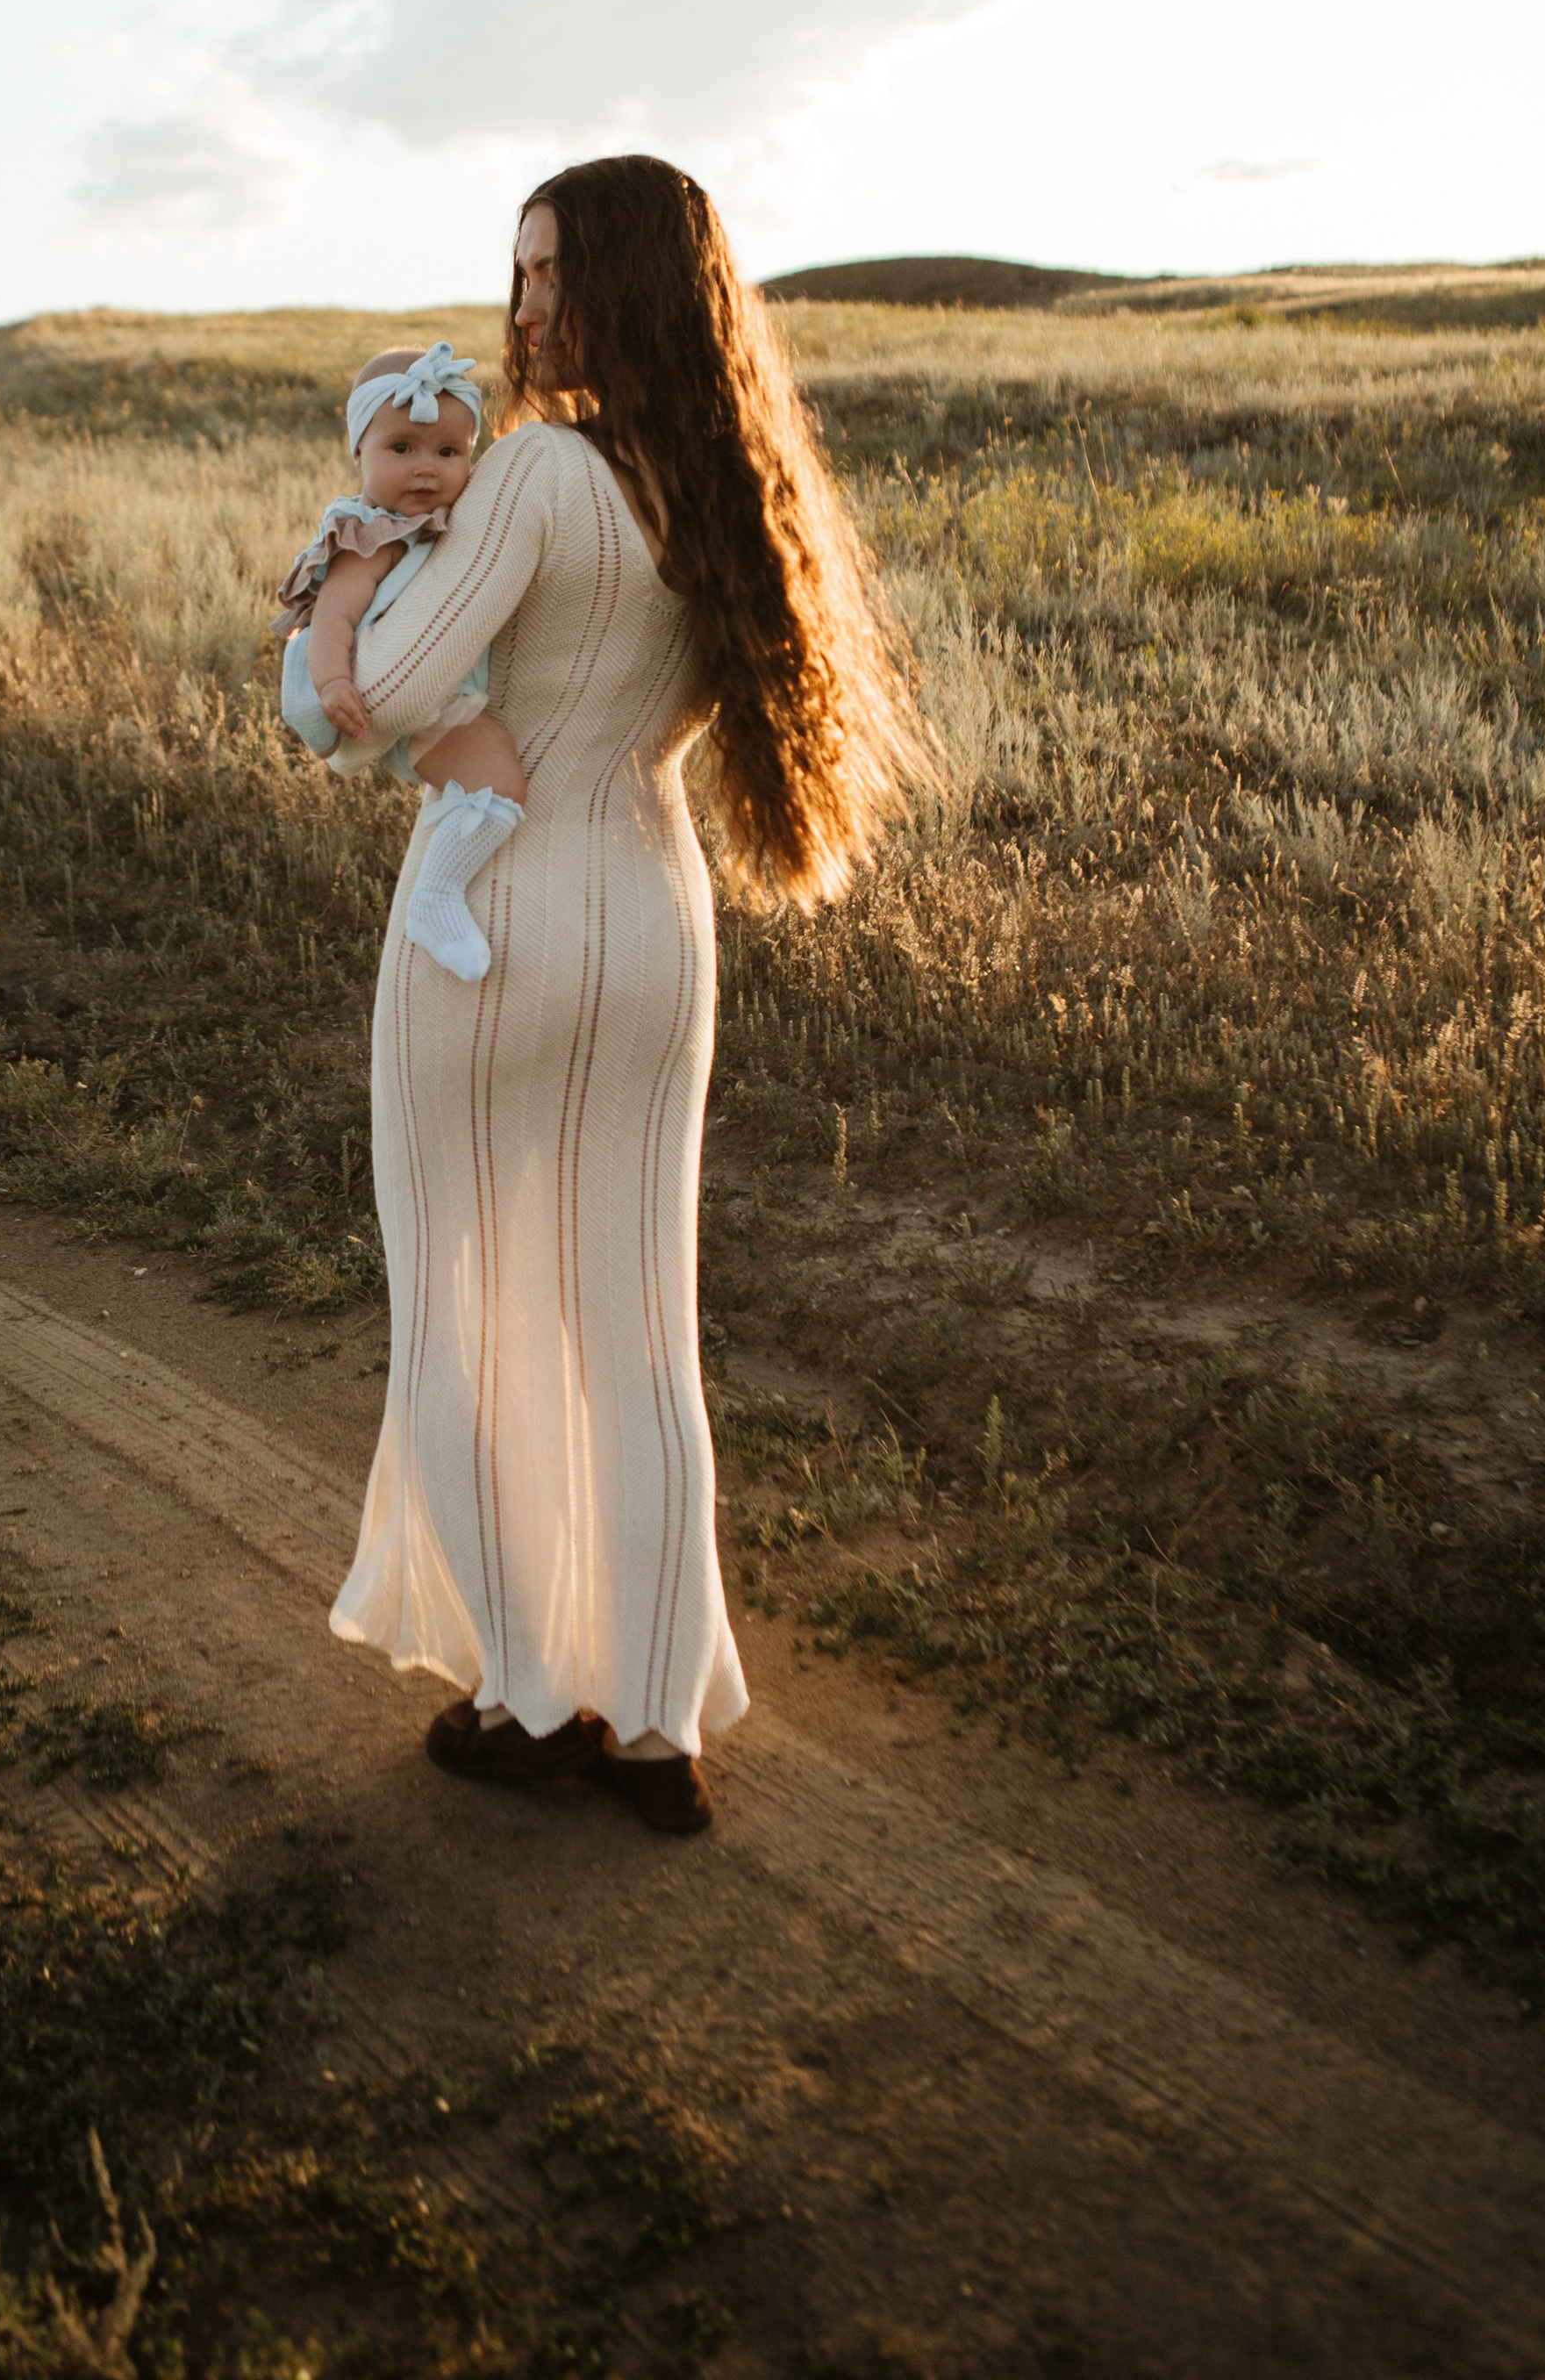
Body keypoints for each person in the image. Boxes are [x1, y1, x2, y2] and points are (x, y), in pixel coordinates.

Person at [327, 157, 932, 1835]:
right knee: (634, 1331)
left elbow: (384, 696)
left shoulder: (537, 471)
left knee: (464, 1307)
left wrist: (345, 586)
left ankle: (531, 1699)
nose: (525, 310)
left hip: (494, 919)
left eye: (556, 274)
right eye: (518, 273)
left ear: (632, 288)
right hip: (654, 929)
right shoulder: (733, 489)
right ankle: (655, 1726)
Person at [272, 341, 532, 980]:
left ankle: (450, 875)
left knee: (494, 769)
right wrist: (334, 682)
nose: (425, 469)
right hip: (399, 702)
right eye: (402, 448)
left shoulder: (448, 522)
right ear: (358, 453)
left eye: (448, 453)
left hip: (447, 690)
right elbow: (333, 619)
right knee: (499, 779)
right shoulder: (372, 536)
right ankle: (436, 896)